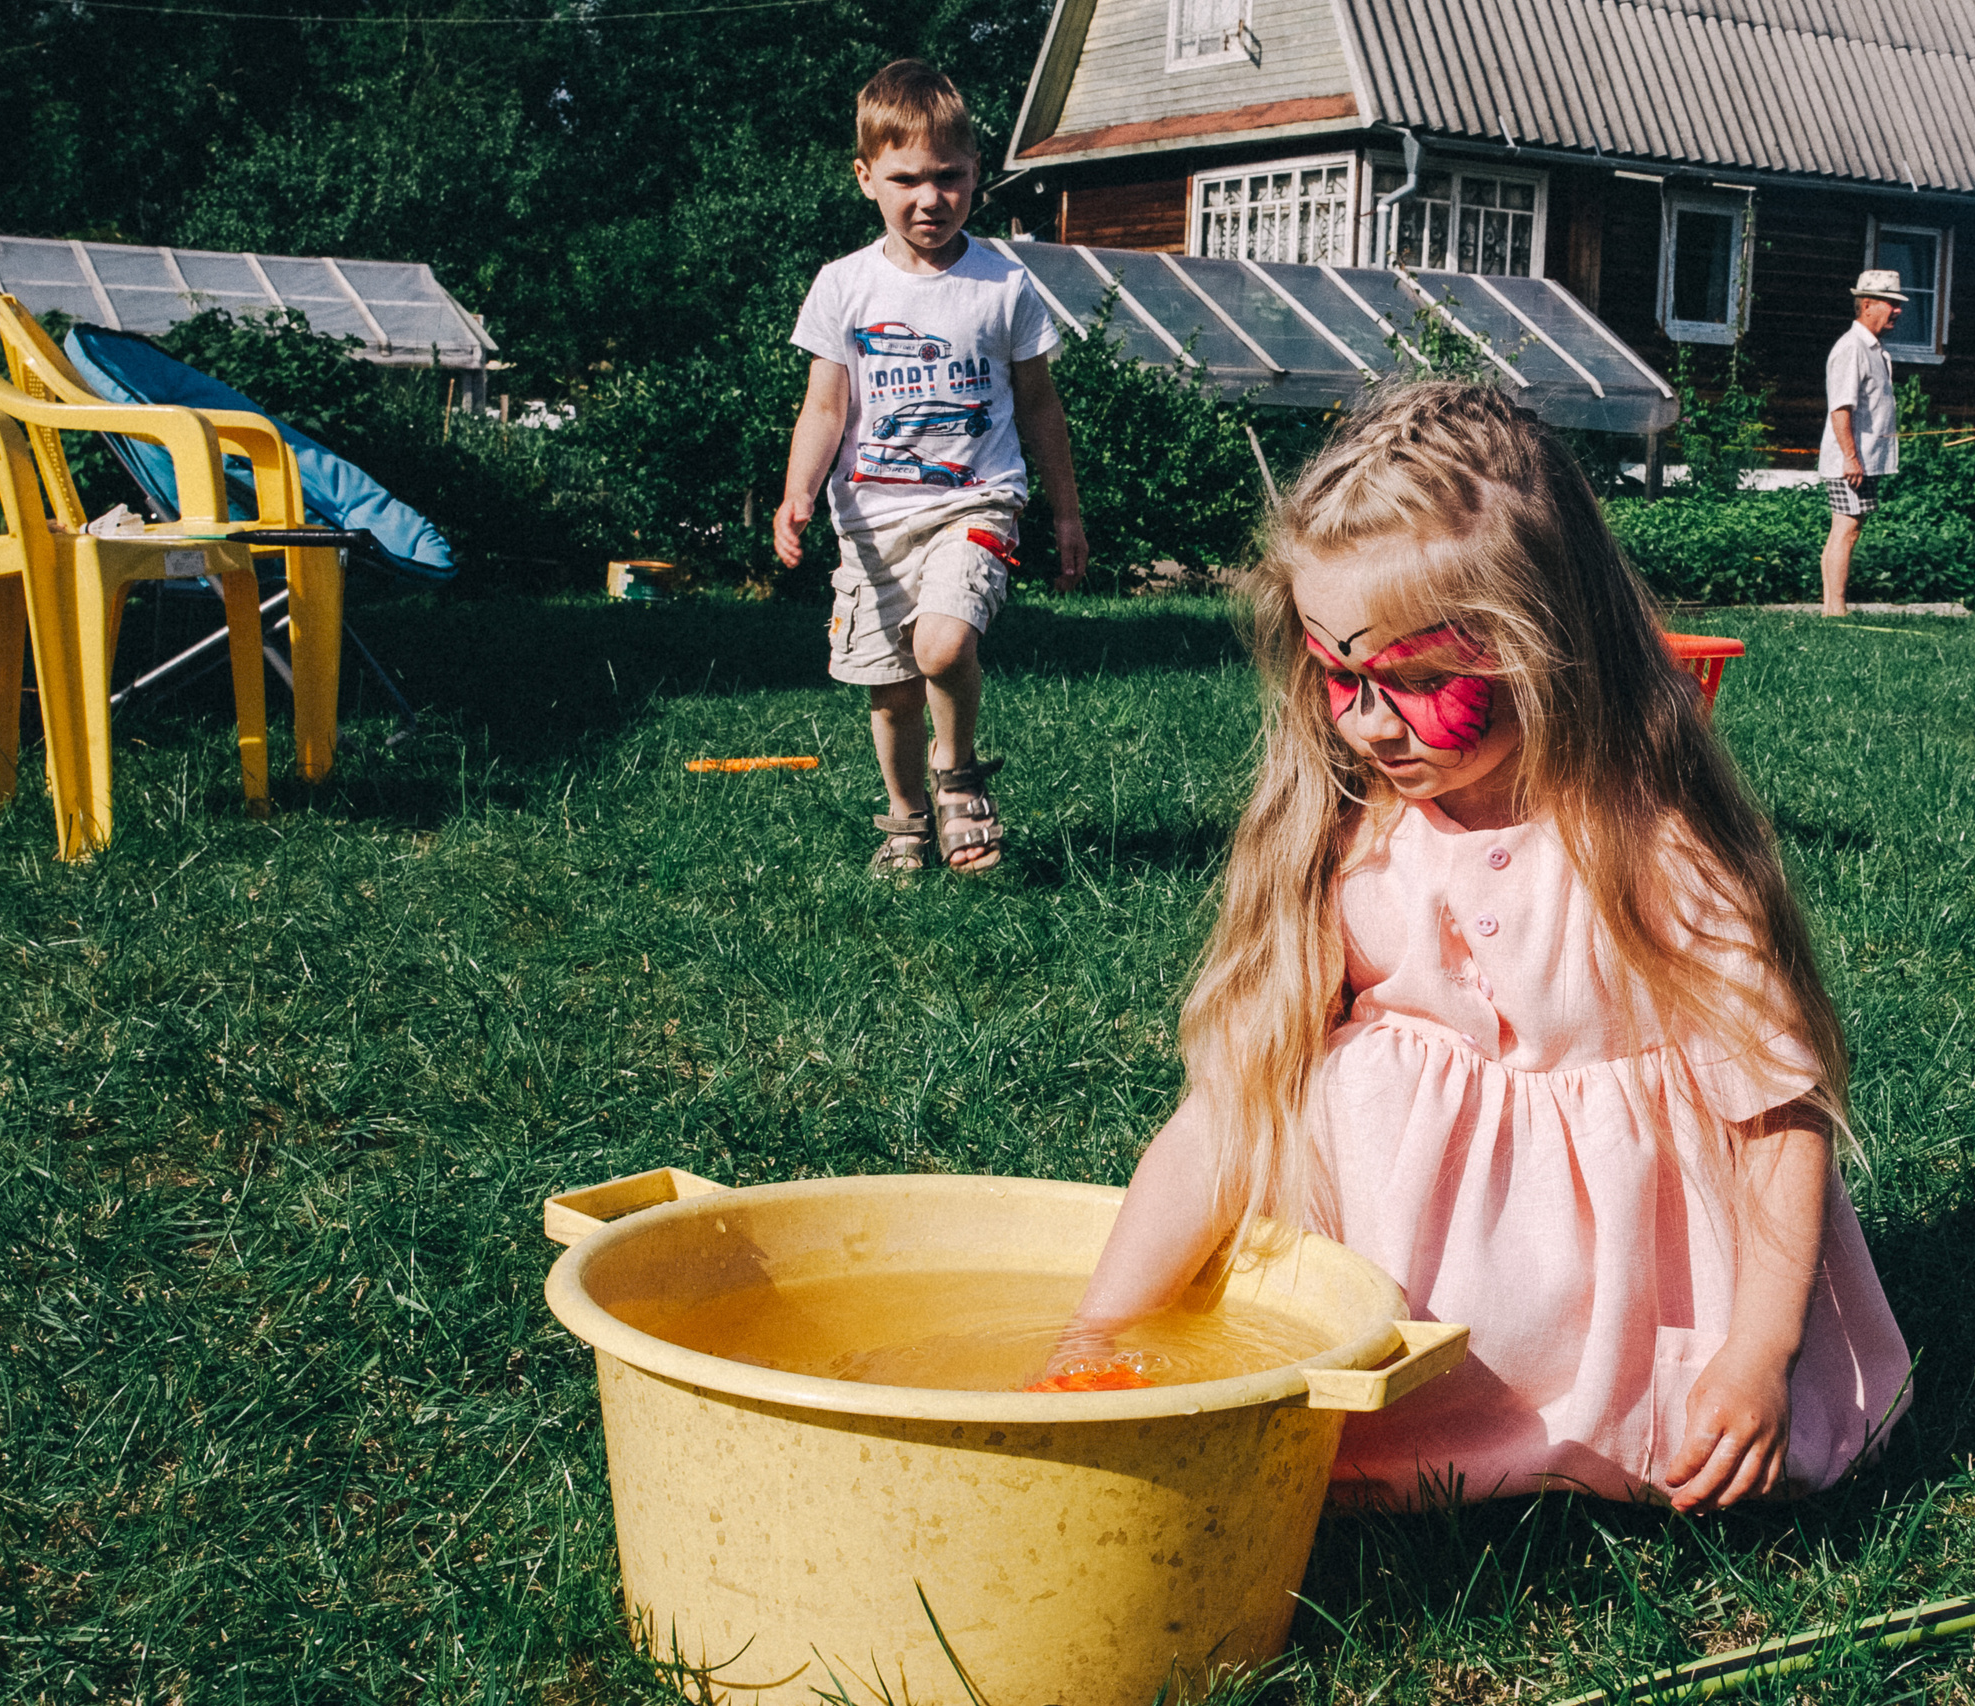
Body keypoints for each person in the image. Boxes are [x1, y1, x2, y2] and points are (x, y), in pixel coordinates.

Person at [1050, 382, 1911, 1511]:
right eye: (1340, 673)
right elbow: (1229, 1108)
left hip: (1634, 1336)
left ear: (1551, 645)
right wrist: (1097, 1332)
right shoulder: (1358, 842)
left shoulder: (1649, 852)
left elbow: (1774, 1117)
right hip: (1400, 1329)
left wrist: (1758, 1353)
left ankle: (1575, 1440)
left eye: (1416, 681)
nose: (1364, 721)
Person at [774, 58, 1089, 874]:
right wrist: (798, 491)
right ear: (865, 177)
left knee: (943, 648)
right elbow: (825, 408)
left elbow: (1040, 405)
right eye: (907, 179)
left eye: (949, 177)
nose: (929, 198)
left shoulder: (1004, 283)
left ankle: (958, 778)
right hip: (871, 522)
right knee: (890, 689)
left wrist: (1064, 513)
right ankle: (908, 820)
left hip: (976, 503)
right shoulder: (844, 286)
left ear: (976, 175)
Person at [1817, 270, 1907, 617]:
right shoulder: (1851, 348)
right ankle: (1835, 608)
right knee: (1847, 527)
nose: (1897, 311)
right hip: (1850, 461)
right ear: (1866, 305)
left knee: (1847, 526)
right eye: (1891, 303)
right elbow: (1841, 407)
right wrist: (1851, 458)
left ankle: (1832, 607)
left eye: (1899, 304)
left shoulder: (1874, 349)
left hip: (1862, 458)